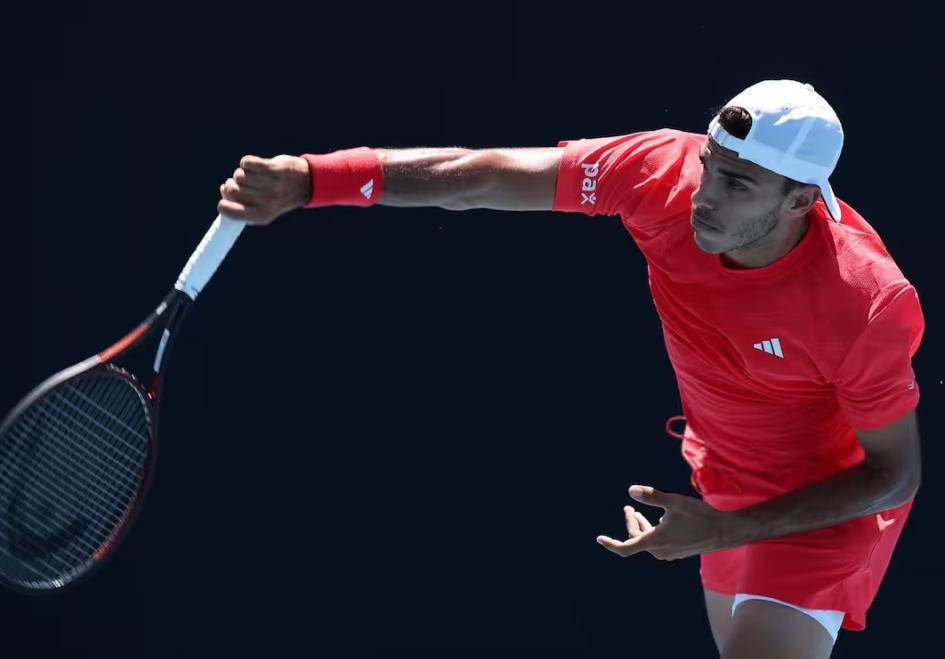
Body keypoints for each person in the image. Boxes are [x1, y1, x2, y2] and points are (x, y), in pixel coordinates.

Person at [216, 79, 925, 659]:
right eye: (709, 166)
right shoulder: (660, 176)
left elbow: (893, 472)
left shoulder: (863, 301)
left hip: (820, 504)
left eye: (738, 184)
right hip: (722, 483)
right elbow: (481, 175)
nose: (704, 196)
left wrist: (725, 531)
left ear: (800, 199)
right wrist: (314, 180)